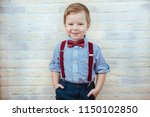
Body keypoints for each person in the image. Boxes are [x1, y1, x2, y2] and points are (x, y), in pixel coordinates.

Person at [49, 3, 109, 100]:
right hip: (65, 88)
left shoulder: (95, 49)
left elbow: (101, 69)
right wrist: (55, 84)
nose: (75, 28)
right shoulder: (60, 47)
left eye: (80, 24)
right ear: (65, 25)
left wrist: (97, 89)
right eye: (70, 24)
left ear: (87, 25)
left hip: (87, 90)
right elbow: (55, 66)